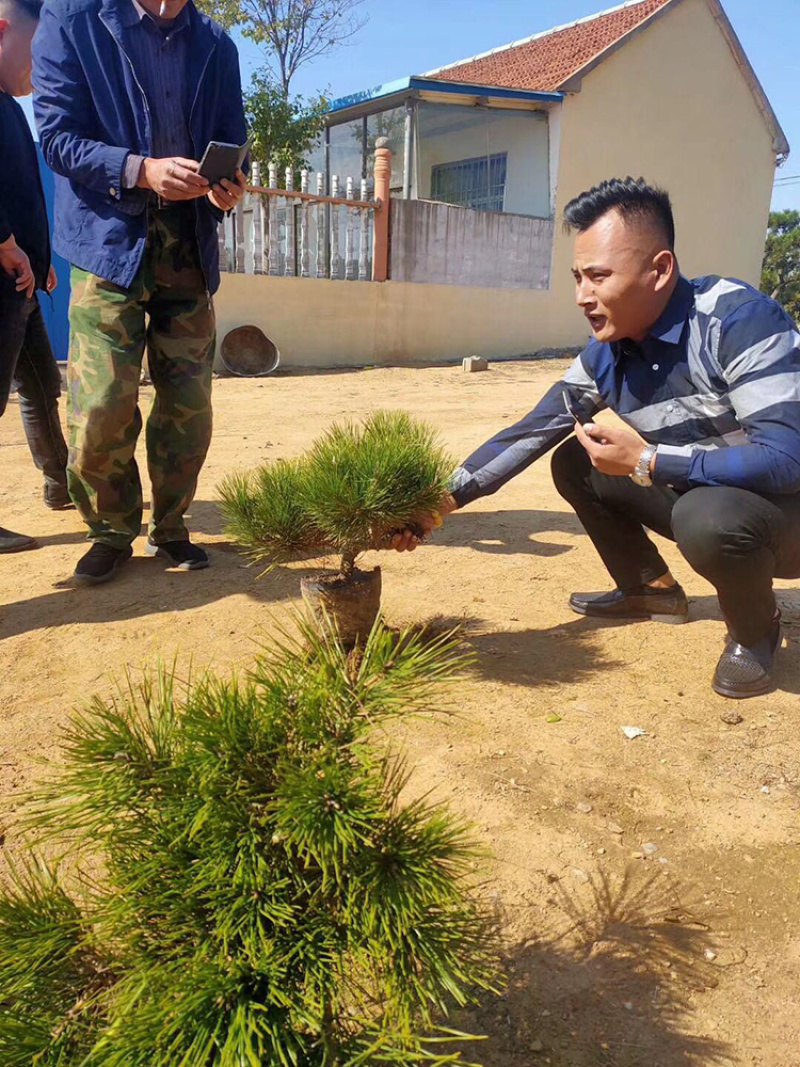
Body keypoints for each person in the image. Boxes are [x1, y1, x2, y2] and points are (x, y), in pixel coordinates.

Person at [390, 177, 800, 700]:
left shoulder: (738, 321)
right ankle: (647, 590)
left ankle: (755, 629)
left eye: (599, 276)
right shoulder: (606, 353)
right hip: (711, 497)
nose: (582, 296)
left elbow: (787, 460)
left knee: (707, 517)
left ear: (660, 270)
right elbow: (531, 431)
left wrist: (652, 460)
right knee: (575, 460)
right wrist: (436, 503)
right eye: (577, 277)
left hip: (786, 517)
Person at [32, 0, 247, 584]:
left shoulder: (216, 44)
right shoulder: (73, 20)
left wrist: (225, 187)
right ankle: (110, 529)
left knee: (188, 406)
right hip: (107, 244)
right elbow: (55, 136)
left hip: (189, 245)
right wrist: (141, 169)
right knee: (101, 403)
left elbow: (234, 136)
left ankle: (172, 527)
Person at [0, 0, 70, 554]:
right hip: (3, 275)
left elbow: (25, 197)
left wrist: (39, 262)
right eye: (36, 45)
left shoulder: (10, 109)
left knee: (43, 384)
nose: (40, 62)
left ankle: (58, 482)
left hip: (20, 281)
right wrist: (6, 245)